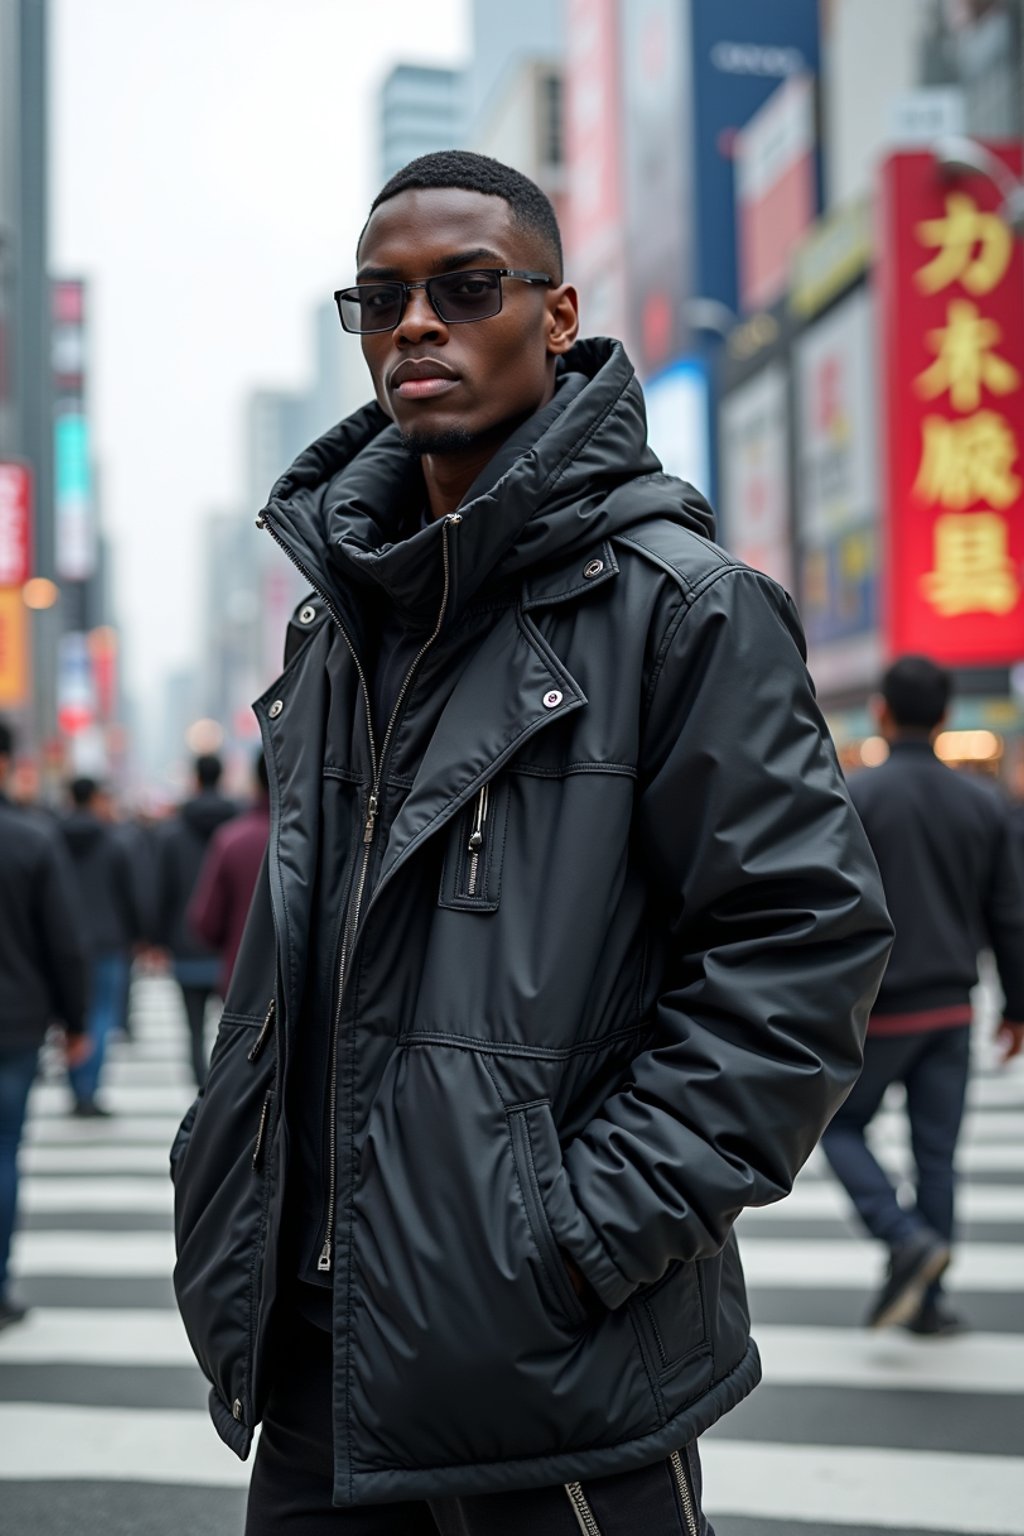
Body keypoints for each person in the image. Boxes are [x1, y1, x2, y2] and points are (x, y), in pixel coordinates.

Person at [170, 151, 892, 1535]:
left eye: (468, 286)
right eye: (379, 300)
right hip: (321, 1358)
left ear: (557, 318)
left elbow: (800, 956)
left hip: (552, 1375)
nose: (416, 325)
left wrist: (576, 1236)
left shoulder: (685, 610)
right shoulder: (340, 619)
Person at [823, 655, 1024, 1336]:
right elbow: (1011, 912)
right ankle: (930, 1304)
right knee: (937, 1155)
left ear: (881, 711)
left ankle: (901, 1235)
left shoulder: (854, 795)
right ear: (945, 716)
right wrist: (1018, 1007)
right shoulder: (984, 802)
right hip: (954, 1007)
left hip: (878, 1004)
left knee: (841, 1125)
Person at [0, 720, 90, 1328]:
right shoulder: (31, 839)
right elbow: (65, 943)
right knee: (4, 1150)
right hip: (15, 1021)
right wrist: (77, 1020)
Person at [60, 776, 143, 1116]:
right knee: (102, 1014)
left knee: (70, 1014)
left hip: (66, 939)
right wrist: (138, 933)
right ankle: (88, 1089)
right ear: (95, 799)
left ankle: (74, 1084)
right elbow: (129, 893)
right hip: (109, 939)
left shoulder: (52, 839)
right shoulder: (113, 843)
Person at [154, 753, 236, 1086]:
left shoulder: (172, 834)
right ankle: (226, 1080)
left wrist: (157, 940)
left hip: (186, 941)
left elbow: (162, 891)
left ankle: (200, 1082)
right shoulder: (240, 828)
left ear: (196, 779)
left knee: (193, 1026)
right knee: (236, 1023)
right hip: (234, 946)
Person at [188, 751, 271, 997]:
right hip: (312, 985)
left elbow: (207, 922)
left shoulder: (232, 840)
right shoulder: (325, 839)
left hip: (244, 977)